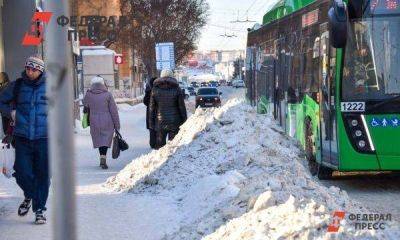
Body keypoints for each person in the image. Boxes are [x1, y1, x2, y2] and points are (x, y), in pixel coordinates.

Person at [0, 56, 49, 224]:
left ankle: (40, 210)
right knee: (21, 172)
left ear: (40, 70)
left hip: (44, 138)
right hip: (22, 137)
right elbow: (2, 101)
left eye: (34, 69)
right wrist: (10, 113)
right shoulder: (17, 85)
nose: (30, 71)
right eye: (28, 68)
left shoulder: (51, 87)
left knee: (43, 175)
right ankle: (31, 195)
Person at [83, 76, 120, 169]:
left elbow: (85, 105)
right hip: (107, 120)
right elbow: (113, 110)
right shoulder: (108, 95)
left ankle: (102, 157)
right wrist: (117, 124)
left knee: (99, 140)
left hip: (94, 121)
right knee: (105, 140)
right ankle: (103, 157)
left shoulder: (88, 94)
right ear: (103, 84)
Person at [149, 69, 187, 149]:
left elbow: (151, 108)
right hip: (175, 121)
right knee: (173, 146)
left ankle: (162, 160)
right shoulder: (177, 88)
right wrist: (185, 121)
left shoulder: (155, 89)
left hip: (160, 121)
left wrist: (151, 123)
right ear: (172, 76)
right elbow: (181, 107)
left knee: (160, 147)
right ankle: (173, 160)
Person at [143, 77, 157, 149]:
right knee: (158, 130)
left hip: (150, 113)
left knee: (152, 130)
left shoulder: (149, 90)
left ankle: (153, 145)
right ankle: (157, 145)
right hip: (158, 113)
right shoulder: (159, 90)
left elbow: (145, 102)